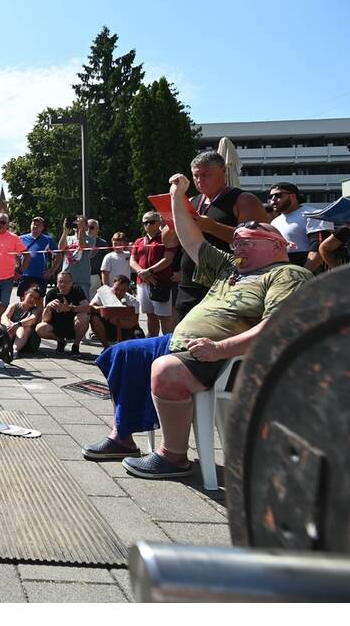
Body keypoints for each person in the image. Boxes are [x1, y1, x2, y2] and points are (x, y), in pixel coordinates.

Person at [83, 173, 313, 477]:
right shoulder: (231, 268)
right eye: (236, 244)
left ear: (277, 245)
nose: (237, 249)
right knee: (123, 353)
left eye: (247, 244)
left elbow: (277, 328)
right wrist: (178, 195)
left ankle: (174, 456)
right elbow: (191, 238)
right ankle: (122, 436)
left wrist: (220, 348)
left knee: (166, 370)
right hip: (185, 343)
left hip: (229, 358)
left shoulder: (287, 275)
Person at [175, 150, 268, 319]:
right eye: (196, 176)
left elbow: (259, 241)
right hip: (189, 285)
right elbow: (169, 242)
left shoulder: (244, 200)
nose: (200, 180)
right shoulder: (193, 201)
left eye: (206, 175)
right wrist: (171, 220)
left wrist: (212, 227)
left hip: (227, 284)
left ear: (223, 171)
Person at [130, 211, 175, 337]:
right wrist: (142, 272)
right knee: (150, 315)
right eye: (145, 222)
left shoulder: (166, 238)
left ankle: (167, 345)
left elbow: (168, 259)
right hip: (142, 283)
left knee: (164, 316)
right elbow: (132, 261)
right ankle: (152, 342)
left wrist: (149, 272)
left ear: (159, 222)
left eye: (151, 222)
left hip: (160, 282)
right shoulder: (139, 241)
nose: (148, 225)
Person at [268, 182, 328, 272]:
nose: (273, 200)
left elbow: (319, 247)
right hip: (281, 270)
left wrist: (304, 273)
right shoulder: (274, 222)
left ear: (293, 196)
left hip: (309, 270)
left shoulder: (314, 214)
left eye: (278, 195)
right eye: (270, 196)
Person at [35, 271, 90, 355]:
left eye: (66, 282)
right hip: (56, 327)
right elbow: (45, 319)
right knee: (40, 328)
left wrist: (70, 308)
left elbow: (87, 308)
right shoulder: (51, 293)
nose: (63, 285)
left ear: (71, 283)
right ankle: (60, 341)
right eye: (60, 282)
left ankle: (76, 345)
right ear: (57, 283)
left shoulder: (77, 290)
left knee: (84, 317)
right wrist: (48, 307)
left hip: (74, 326)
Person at [89, 275, 141, 348]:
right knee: (94, 318)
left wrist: (111, 317)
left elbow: (132, 323)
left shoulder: (133, 301)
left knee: (139, 339)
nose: (119, 292)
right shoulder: (104, 293)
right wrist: (103, 309)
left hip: (125, 326)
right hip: (108, 325)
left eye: (123, 290)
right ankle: (106, 347)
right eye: (116, 289)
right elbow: (91, 307)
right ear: (113, 284)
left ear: (127, 289)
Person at [0, 286, 43, 362]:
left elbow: (32, 320)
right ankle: (4, 348)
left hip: (29, 342)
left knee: (24, 327)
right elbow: (4, 317)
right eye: (30, 296)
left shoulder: (36, 310)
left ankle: (14, 350)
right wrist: (10, 325)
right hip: (12, 335)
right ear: (25, 294)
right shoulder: (14, 305)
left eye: (36, 298)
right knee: (8, 325)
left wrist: (18, 324)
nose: (32, 299)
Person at [17, 216, 59, 297]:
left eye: (38, 225)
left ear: (42, 227)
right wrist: (18, 269)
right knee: (23, 300)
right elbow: (14, 255)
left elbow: (59, 255)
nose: (35, 226)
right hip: (25, 275)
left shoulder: (48, 240)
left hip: (40, 275)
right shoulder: (21, 239)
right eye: (34, 224)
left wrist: (52, 270)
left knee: (39, 300)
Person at [58, 215, 96, 297]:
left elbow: (83, 246)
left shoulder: (91, 239)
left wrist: (81, 230)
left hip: (82, 279)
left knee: (82, 305)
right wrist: (65, 231)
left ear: (86, 226)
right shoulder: (68, 238)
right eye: (76, 222)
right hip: (66, 278)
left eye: (80, 222)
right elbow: (60, 248)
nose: (77, 224)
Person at [87, 219, 110, 293]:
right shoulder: (79, 241)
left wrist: (102, 277)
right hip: (80, 276)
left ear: (97, 229)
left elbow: (106, 261)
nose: (88, 230)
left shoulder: (102, 243)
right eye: (86, 227)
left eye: (91, 227)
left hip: (95, 275)